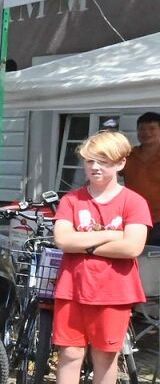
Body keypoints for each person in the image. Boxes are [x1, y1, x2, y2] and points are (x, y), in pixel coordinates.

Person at [52, 131, 151, 384]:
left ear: (120, 163)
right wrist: (112, 235)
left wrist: (82, 244)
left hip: (114, 292)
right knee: (70, 354)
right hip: (72, 288)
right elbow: (63, 240)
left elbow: (132, 247)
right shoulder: (72, 200)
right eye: (89, 161)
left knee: (106, 356)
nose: (94, 167)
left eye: (103, 161)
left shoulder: (134, 201)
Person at [119, 111, 160, 245]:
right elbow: (106, 175)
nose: (146, 133)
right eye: (142, 129)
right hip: (132, 217)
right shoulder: (128, 155)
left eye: (152, 129)